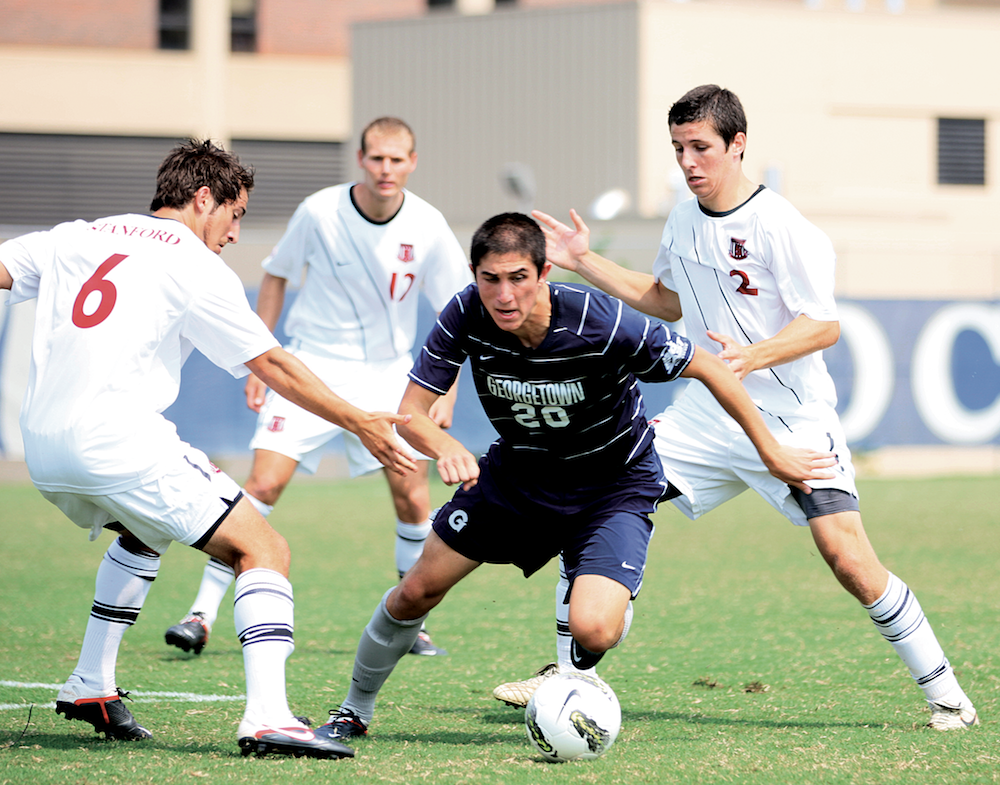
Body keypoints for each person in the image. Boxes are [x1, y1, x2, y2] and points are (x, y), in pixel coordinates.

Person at [491, 84, 978, 731]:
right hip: (708, 414)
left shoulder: (781, 225)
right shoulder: (685, 218)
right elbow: (665, 299)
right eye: (679, 148)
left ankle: (948, 696)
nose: (689, 161)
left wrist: (754, 355)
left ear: (737, 144)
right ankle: (568, 675)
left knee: (849, 558)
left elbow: (824, 324)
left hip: (792, 418)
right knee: (597, 491)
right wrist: (583, 260)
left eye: (701, 147)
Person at [308, 212, 835, 742]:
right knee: (414, 592)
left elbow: (712, 366)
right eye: (490, 279)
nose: (504, 295)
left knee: (595, 629)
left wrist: (769, 450)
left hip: (612, 486)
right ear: (474, 275)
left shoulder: (601, 322)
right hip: (516, 478)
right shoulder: (466, 312)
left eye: (518, 278)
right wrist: (445, 445)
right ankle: (354, 710)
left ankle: (602, 589)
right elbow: (412, 412)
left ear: (542, 273)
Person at [0, 139, 419, 759]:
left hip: (43, 449)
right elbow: (274, 362)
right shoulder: (193, 264)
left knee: (143, 531)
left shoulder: (76, 234)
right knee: (263, 546)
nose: (232, 232)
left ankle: (91, 684)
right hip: (117, 442)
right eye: (235, 214)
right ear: (204, 199)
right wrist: (359, 420)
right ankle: (268, 718)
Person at [165, 117, 471, 659]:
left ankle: (411, 622)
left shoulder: (427, 224)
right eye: (377, 158)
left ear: (412, 163)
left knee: (412, 493)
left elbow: (459, 309)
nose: (386, 169)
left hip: (386, 376)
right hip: (310, 367)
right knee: (262, 485)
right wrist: (261, 363)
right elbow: (277, 274)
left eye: (397, 159)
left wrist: (445, 389)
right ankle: (200, 615)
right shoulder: (319, 210)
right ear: (361, 158)